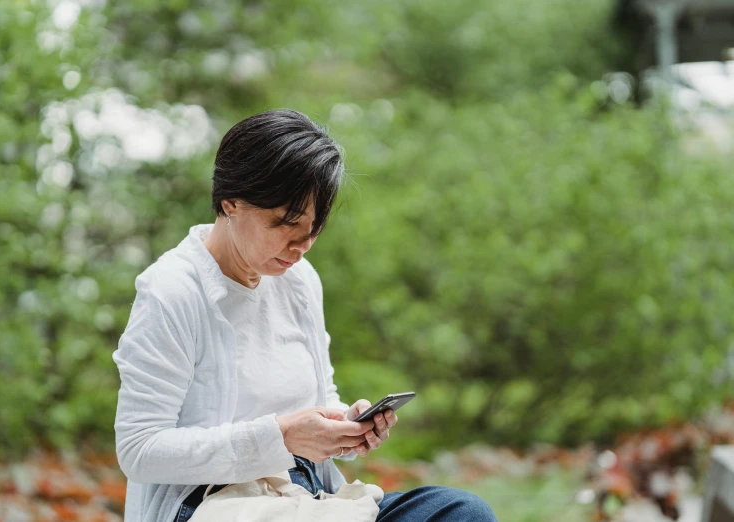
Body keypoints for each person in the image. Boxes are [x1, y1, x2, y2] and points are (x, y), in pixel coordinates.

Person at [112, 109, 498, 522]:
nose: (302, 245)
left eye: (313, 228)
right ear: (231, 202)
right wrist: (279, 436)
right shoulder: (172, 291)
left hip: (313, 498)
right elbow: (139, 450)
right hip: (216, 504)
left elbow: (320, 399)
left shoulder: (299, 281)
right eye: (285, 223)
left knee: (463, 513)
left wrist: (346, 427)